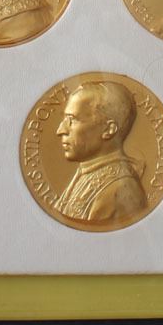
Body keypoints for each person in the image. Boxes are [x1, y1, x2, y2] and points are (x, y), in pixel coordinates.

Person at [53, 80, 147, 224]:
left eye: (72, 120)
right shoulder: (85, 173)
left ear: (109, 129)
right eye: (65, 119)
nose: (60, 130)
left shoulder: (122, 190)